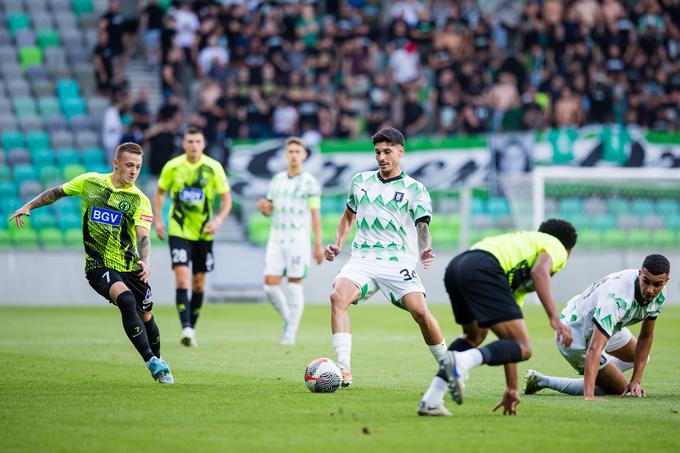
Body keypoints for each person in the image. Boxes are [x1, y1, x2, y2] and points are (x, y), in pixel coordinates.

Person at [8, 143, 173, 384]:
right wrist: (29, 205)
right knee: (126, 300)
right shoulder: (91, 182)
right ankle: (150, 360)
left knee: (147, 315)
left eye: (138, 167)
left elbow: (143, 237)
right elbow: (57, 192)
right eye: (129, 165)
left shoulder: (139, 200)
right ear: (115, 164)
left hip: (130, 267)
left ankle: (160, 362)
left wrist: (146, 261)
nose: (134, 171)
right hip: (98, 266)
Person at [324, 127, 448, 388]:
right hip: (362, 259)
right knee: (338, 297)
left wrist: (425, 249)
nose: (381, 157)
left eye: (387, 151)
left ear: (401, 152)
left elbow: (422, 226)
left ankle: (447, 365)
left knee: (420, 312)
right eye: (378, 151)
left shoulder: (415, 189)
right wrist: (337, 243)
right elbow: (348, 216)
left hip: (398, 261)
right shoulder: (360, 182)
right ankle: (343, 369)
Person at [418, 219, 577, 416]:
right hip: (485, 268)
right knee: (525, 349)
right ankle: (461, 362)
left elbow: (509, 341)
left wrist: (512, 387)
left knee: (474, 337)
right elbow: (540, 271)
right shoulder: (556, 246)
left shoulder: (524, 246)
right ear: (568, 250)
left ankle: (431, 399)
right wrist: (554, 318)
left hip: (458, 266)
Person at [524, 254, 670, 399]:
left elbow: (645, 337)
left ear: (665, 282)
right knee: (620, 389)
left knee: (639, 357)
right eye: (646, 281)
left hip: (607, 325)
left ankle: (602, 372)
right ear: (640, 274)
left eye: (657, 284)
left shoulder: (660, 294)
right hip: (576, 334)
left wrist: (636, 381)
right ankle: (543, 381)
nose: (650, 290)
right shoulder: (617, 299)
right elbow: (594, 348)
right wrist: (589, 395)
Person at [153, 127, 232, 347]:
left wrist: (217, 221)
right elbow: (159, 193)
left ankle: (191, 328)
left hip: (204, 233)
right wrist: (158, 220)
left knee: (198, 284)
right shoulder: (173, 166)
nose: (194, 145)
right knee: (181, 278)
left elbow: (227, 201)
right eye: (190, 141)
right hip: (178, 231)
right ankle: (186, 327)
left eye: (198, 141)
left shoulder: (213, 167)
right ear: (184, 144)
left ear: (203, 143)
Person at [256, 137, 323, 346]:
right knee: (269, 286)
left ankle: (290, 332)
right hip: (276, 239)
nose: (294, 155)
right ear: (286, 155)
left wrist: (318, 244)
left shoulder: (310, 182)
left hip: (298, 241)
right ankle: (288, 319)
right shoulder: (277, 180)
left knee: (294, 286)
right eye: (291, 151)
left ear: (304, 155)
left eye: (298, 151)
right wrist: (264, 208)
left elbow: (315, 214)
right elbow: (269, 209)